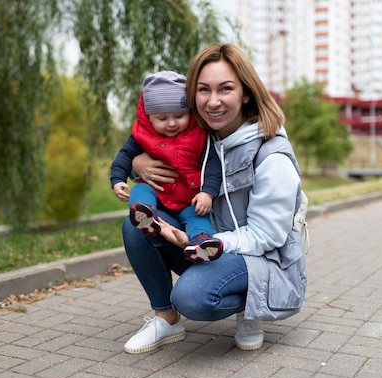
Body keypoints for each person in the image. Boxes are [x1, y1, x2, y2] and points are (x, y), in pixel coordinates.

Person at [121, 44, 307, 354]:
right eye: (203, 90)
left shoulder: (271, 154)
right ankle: (166, 319)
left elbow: (267, 236)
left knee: (192, 297)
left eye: (226, 89)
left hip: (262, 258)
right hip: (209, 244)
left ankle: (251, 307)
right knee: (135, 227)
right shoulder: (202, 138)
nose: (213, 101)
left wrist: (203, 243)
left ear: (246, 93)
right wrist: (134, 164)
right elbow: (147, 146)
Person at [110, 70, 224, 263]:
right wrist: (117, 180)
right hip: (157, 193)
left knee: (199, 216)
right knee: (141, 190)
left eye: (179, 116)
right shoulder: (142, 135)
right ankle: (144, 213)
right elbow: (125, 156)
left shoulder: (199, 136)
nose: (171, 123)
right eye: (162, 119)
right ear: (149, 117)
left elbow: (213, 165)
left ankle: (201, 242)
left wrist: (207, 193)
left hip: (189, 198)